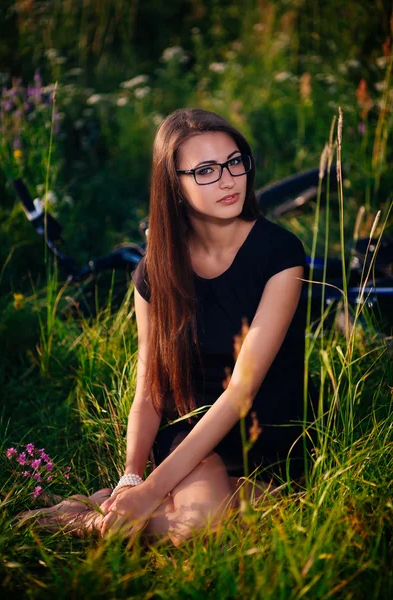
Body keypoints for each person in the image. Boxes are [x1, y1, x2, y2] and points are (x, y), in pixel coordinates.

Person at [18, 108, 318, 547]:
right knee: (197, 526)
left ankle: (85, 516)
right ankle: (119, 503)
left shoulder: (280, 254)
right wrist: (132, 477)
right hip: (190, 432)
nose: (228, 179)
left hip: (265, 433)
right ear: (173, 184)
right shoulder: (155, 272)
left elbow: (241, 391)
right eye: (205, 171)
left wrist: (149, 493)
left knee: (199, 527)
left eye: (235, 162)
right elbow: (150, 385)